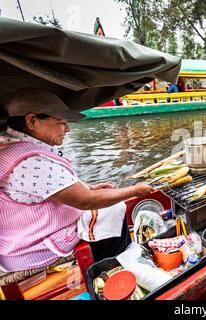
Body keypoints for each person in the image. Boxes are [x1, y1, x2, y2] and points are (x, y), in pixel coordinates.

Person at [0, 88, 154, 272]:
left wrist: (91, 186)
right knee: (113, 207)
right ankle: (115, 265)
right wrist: (135, 190)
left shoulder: (11, 146)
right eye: (61, 122)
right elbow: (85, 201)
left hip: (17, 242)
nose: (67, 129)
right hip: (32, 248)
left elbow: (45, 188)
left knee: (108, 203)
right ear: (32, 121)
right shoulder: (30, 162)